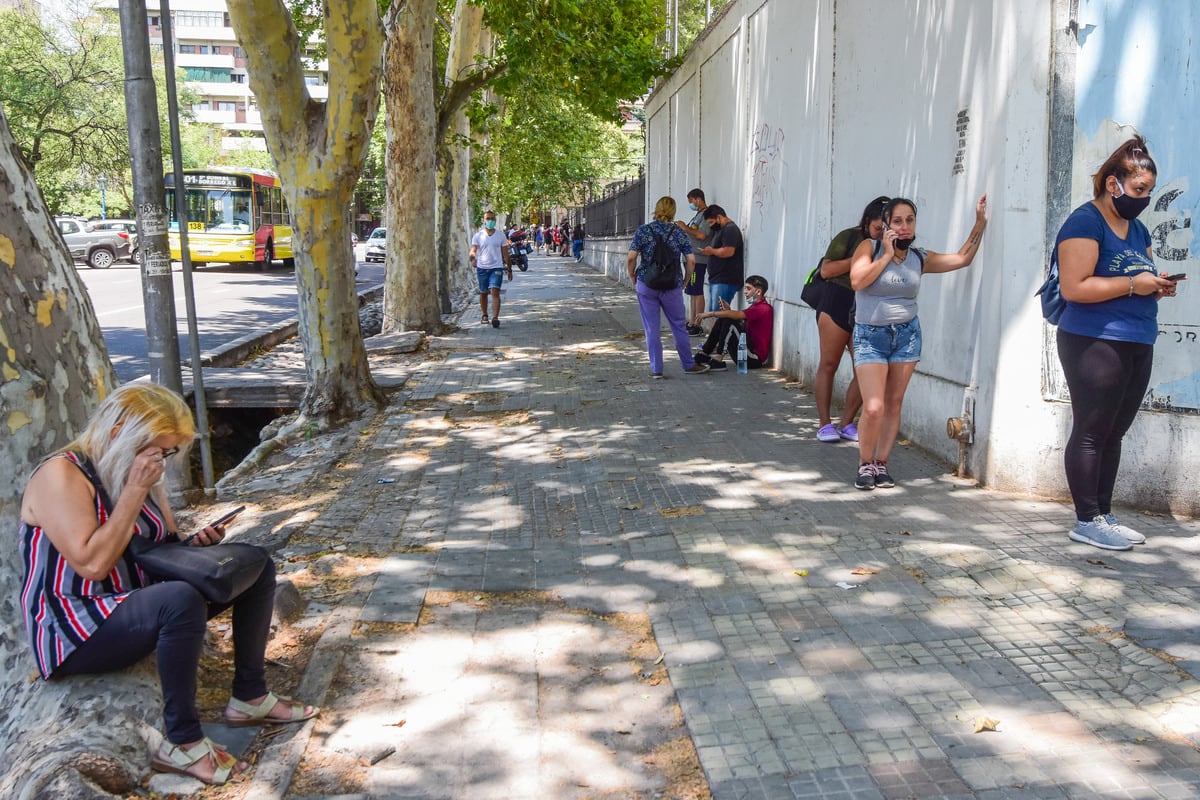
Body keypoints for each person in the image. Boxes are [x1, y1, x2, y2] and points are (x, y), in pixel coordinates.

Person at [17, 383, 316, 786]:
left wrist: (194, 548)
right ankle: (184, 741)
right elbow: (92, 563)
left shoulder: (131, 470)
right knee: (179, 598)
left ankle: (250, 697)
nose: (162, 461)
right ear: (119, 432)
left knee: (256, 564)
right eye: (157, 449)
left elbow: (160, 551)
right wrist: (135, 490)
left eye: (169, 452)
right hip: (75, 626)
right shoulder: (62, 474)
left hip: (133, 603)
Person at [1055, 136, 1179, 550]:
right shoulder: (1084, 223)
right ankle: (1085, 518)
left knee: (1114, 432)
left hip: (1137, 337)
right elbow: (1074, 287)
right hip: (1093, 339)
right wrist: (1132, 283)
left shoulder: (1138, 227)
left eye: (1148, 191)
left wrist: (1155, 286)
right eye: (1139, 189)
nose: (1143, 198)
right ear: (1113, 184)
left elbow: (1138, 277)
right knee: (1092, 430)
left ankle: (1103, 514)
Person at [849, 194, 988, 490]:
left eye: (909, 220)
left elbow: (962, 259)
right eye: (897, 221)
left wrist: (979, 223)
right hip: (870, 336)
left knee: (893, 404)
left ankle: (882, 463)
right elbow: (858, 281)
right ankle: (865, 464)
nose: (904, 227)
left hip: (907, 336)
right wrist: (886, 255)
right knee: (873, 407)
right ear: (886, 224)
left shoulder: (919, 258)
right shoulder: (869, 248)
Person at [813, 196, 890, 443]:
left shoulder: (890, 246)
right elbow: (826, 270)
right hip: (837, 300)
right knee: (829, 364)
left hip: (867, 308)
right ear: (867, 222)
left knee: (866, 368)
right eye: (878, 229)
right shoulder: (848, 237)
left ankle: (847, 423)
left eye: (885, 230)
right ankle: (824, 424)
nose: (880, 235)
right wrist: (861, 257)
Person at [627, 195, 711, 378]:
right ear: (673, 212)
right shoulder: (679, 233)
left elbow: (632, 257)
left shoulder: (643, 231)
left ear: (656, 210)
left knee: (651, 328)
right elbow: (691, 260)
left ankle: (656, 369)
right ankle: (689, 365)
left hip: (646, 284)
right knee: (679, 326)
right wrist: (686, 280)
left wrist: (633, 275)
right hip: (672, 285)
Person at [693, 275, 774, 370]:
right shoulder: (755, 307)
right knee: (724, 320)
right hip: (746, 352)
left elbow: (737, 315)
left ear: (758, 291)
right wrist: (729, 310)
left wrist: (710, 314)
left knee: (729, 322)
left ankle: (718, 360)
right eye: (745, 288)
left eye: (748, 289)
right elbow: (739, 321)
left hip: (754, 359)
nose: (745, 292)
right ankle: (705, 353)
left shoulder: (763, 308)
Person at [675, 188, 715, 335]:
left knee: (697, 290)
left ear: (698, 199)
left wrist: (684, 228)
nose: (691, 204)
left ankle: (697, 323)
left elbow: (701, 235)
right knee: (692, 291)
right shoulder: (698, 215)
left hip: (698, 258)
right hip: (691, 257)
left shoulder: (706, 215)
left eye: (691, 201)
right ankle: (692, 321)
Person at [469, 210, 512, 328]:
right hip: (482, 268)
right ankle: (484, 315)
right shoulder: (478, 236)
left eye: (492, 218)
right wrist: (472, 259)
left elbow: (506, 254)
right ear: (484, 220)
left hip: (496, 268)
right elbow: (473, 250)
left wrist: (509, 269)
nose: (490, 221)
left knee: (495, 291)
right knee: (483, 292)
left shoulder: (500, 236)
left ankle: (495, 317)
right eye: (488, 218)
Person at [700, 205, 744, 312]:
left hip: (725, 279)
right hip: (717, 278)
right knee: (713, 312)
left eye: (711, 222)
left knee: (717, 313)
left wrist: (712, 251)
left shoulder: (730, 230)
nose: (710, 226)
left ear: (719, 217)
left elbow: (728, 251)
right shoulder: (720, 230)